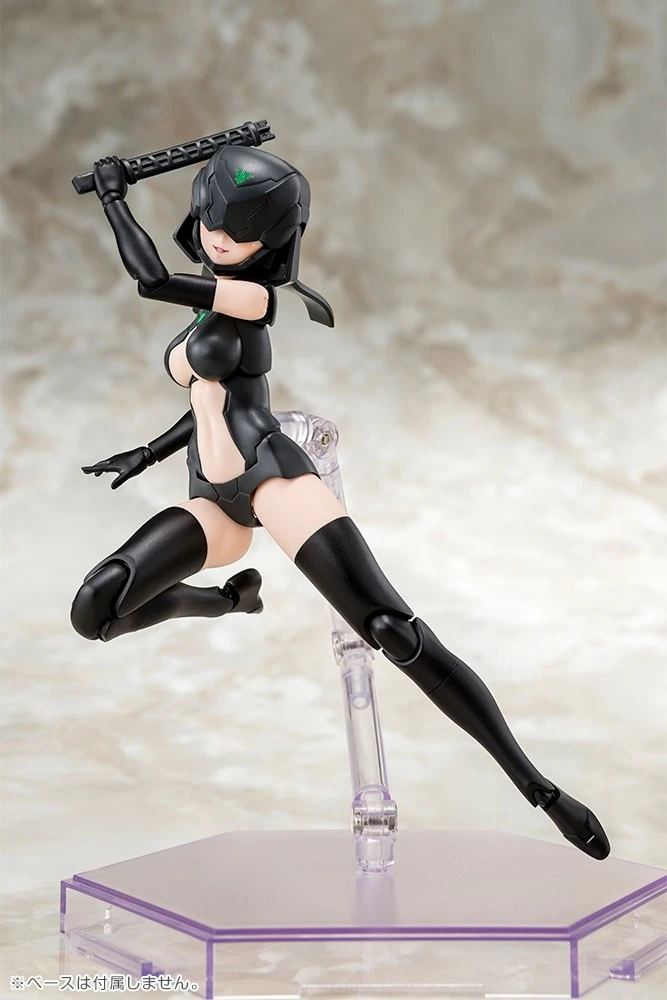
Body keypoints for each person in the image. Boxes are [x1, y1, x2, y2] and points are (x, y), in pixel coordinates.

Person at [71, 145, 610, 860]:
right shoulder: (208, 308)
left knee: (391, 629)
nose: (220, 237)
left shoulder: (253, 299)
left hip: (269, 477)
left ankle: (539, 788)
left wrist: (114, 199)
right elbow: (209, 395)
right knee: (97, 609)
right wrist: (146, 453)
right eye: (211, 220)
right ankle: (229, 600)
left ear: (274, 241)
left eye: (241, 229)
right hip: (211, 497)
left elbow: (150, 281)